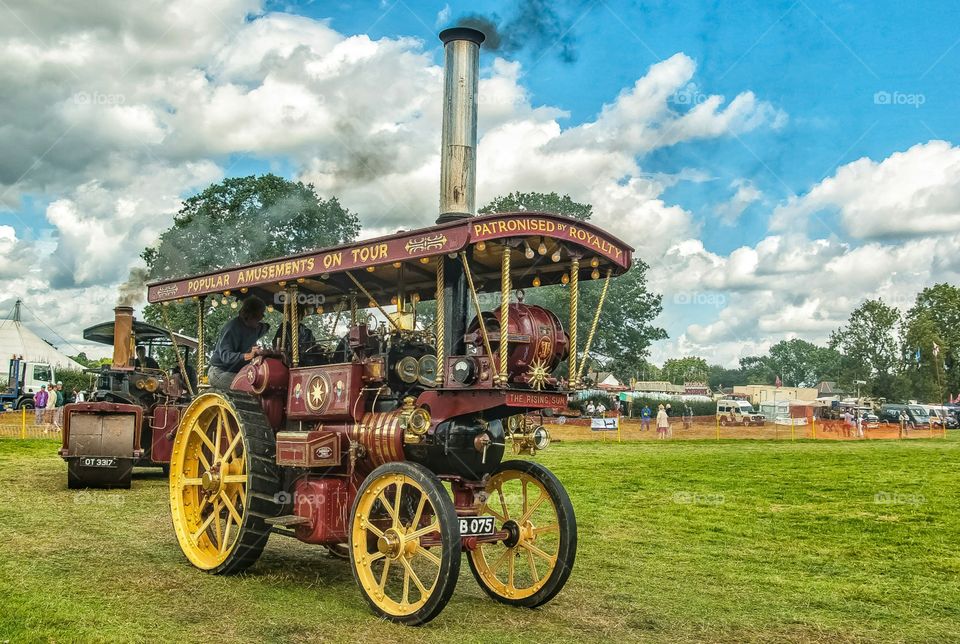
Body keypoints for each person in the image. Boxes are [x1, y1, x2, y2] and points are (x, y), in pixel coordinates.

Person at [208, 296, 270, 390]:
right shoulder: (232, 329)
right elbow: (226, 356)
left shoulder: (257, 328)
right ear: (248, 315)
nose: (261, 319)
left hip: (237, 372)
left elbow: (267, 327)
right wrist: (249, 355)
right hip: (219, 372)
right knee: (251, 386)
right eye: (258, 317)